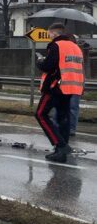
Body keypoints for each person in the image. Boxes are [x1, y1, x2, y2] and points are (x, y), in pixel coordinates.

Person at [35, 22, 84, 162]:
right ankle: (60, 151)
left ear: (55, 34)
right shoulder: (75, 47)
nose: (48, 36)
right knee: (64, 118)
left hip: (56, 86)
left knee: (41, 114)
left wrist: (40, 62)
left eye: (49, 33)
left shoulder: (56, 45)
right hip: (72, 88)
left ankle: (61, 145)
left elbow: (49, 66)